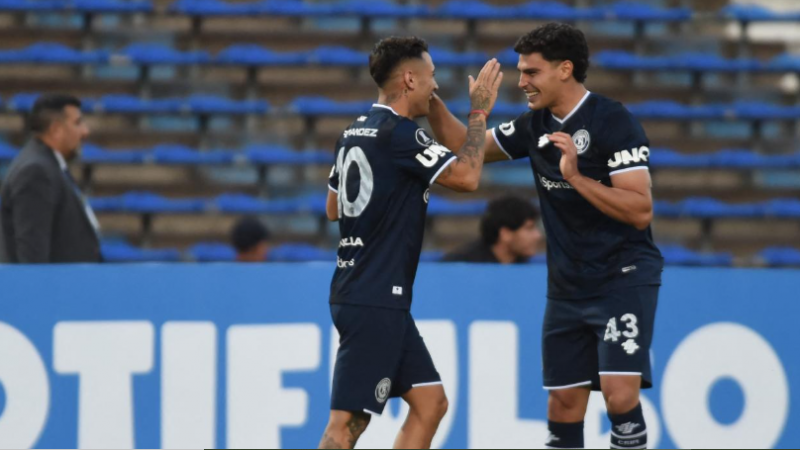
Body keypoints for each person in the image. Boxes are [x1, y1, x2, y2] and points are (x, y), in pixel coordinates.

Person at [428, 23, 664, 450]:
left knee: (620, 395)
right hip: (567, 285)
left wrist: (576, 177)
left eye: (532, 72)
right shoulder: (534, 125)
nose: (522, 82)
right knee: (563, 406)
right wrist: (435, 102)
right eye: (520, 71)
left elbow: (640, 209)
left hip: (621, 278)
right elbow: (466, 145)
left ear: (565, 69)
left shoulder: (613, 121)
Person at [320, 37, 502, 449]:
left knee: (429, 402)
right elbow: (467, 177)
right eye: (432, 77)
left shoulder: (352, 132)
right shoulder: (400, 135)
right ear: (408, 79)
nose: (435, 85)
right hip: (375, 296)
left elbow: (333, 208)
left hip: (365, 290)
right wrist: (478, 113)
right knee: (345, 425)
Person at [0, 94, 100, 263]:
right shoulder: (36, 172)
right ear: (56, 130)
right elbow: (32, 259)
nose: (85, 131)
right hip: (54, 288)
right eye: (77, 123)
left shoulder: (49, 165)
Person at [443, 195, 542, 264]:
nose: (538, 235)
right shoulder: (460, 267)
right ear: (505, 234)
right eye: (529, 228)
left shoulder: (523, 266)